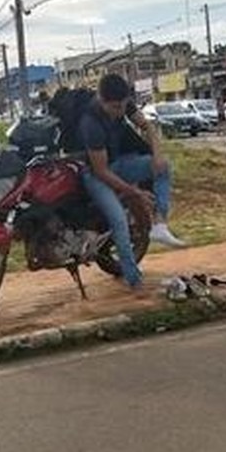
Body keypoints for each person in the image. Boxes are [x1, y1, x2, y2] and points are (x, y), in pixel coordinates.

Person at [79, 73, 187, 298]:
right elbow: (101, 171)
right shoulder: (90, 123)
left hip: (120, 163)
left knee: (164, 166)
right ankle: (133, 278)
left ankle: (159, 224)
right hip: (97, 175)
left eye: (123, 106)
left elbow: (148, 126)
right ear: (101, 99)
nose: (120, 112)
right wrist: (135, 192)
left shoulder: (123, 104)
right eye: (115, 107)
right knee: (118, 220)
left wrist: (157, 155)